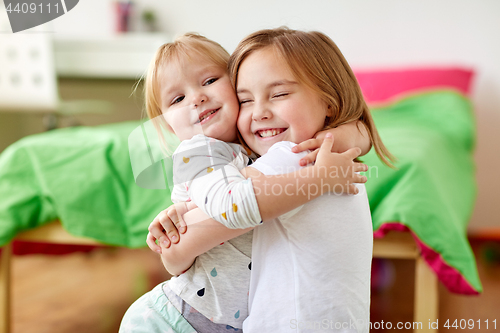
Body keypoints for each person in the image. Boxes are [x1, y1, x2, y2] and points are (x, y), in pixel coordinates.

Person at [119, 32, 371, 333]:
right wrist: (320, 177)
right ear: (167, 124)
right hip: (175, 320)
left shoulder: (252, 149)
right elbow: (234, 205)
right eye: (177, 99)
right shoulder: (200, 152)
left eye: (210, 81)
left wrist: (347, 136)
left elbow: (359, 128)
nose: (196, 98)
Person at [228, 27, 393, 332]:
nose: (259, 112)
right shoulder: (335, 154)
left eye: (279, 94)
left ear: (329, 101)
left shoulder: (292, 158)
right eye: (245, 101)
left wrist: (183, 209)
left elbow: (226, 204)